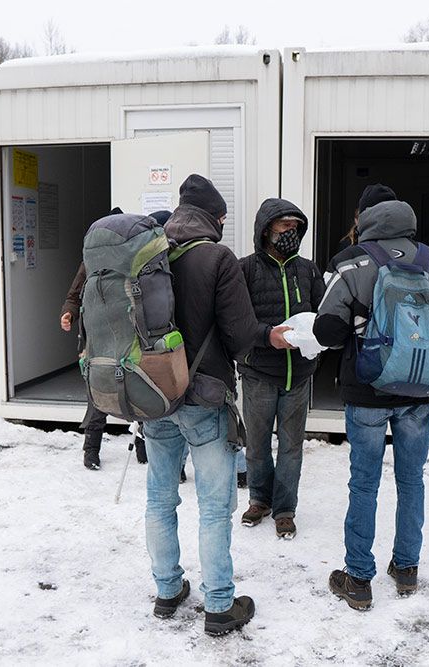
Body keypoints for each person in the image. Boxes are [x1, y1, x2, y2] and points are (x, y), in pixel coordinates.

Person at [313, 194, 429, 610]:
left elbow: (327, 330)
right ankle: (406, 569)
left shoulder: (350, 260)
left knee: (364, 482)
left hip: (368, 388)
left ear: (364, 217)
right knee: (411, 479)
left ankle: (358, 578)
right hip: (421, 389)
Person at [144, 174, 291, 635]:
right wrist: (273, 335)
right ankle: (219, 606)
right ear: (215, 217)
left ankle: (167, 591)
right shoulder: (217, 258)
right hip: (204, 398)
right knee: (212, 507)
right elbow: (242, 332)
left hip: (154, 395)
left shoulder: (149, 253)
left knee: (159, 499)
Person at [237, 198, 325, 539]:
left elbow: (323, 314)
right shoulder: (244, 270)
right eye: (285, 226)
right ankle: (260, 499)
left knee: (291, 446)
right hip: (259, 373)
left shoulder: (308, 269)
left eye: (296, 227)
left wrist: (318, 344)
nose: (292, 232)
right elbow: (238, 322)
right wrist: (266, 338)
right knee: (257, 445)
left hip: (299, 375)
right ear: (266, 230)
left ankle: (285, 508)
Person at [61, 208, 175, 470]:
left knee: (139, 384)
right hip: (99, 335)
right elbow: (78, 289)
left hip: (129, 332)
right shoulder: (96, 260)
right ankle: (91, 448)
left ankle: (143, 449)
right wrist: (68, 312)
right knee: (101, 390)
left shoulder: (138, 257)